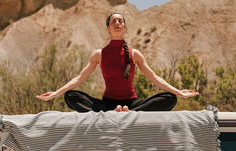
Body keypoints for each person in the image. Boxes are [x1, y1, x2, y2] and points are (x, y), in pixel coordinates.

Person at [36, 12, 199, 112]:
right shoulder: (98, 54)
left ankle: (130, 112)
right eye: (113, 21)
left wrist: (179, 92)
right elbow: (79, 78)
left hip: (133, 103)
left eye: (120, 21)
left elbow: (154, 78)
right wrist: (56, 93)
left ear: (125, 27)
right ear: (108, 28)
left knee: (169, 99)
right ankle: (112, 113)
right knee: (70, 96)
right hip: (107, 105)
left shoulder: (135, 54)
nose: (117, 24)